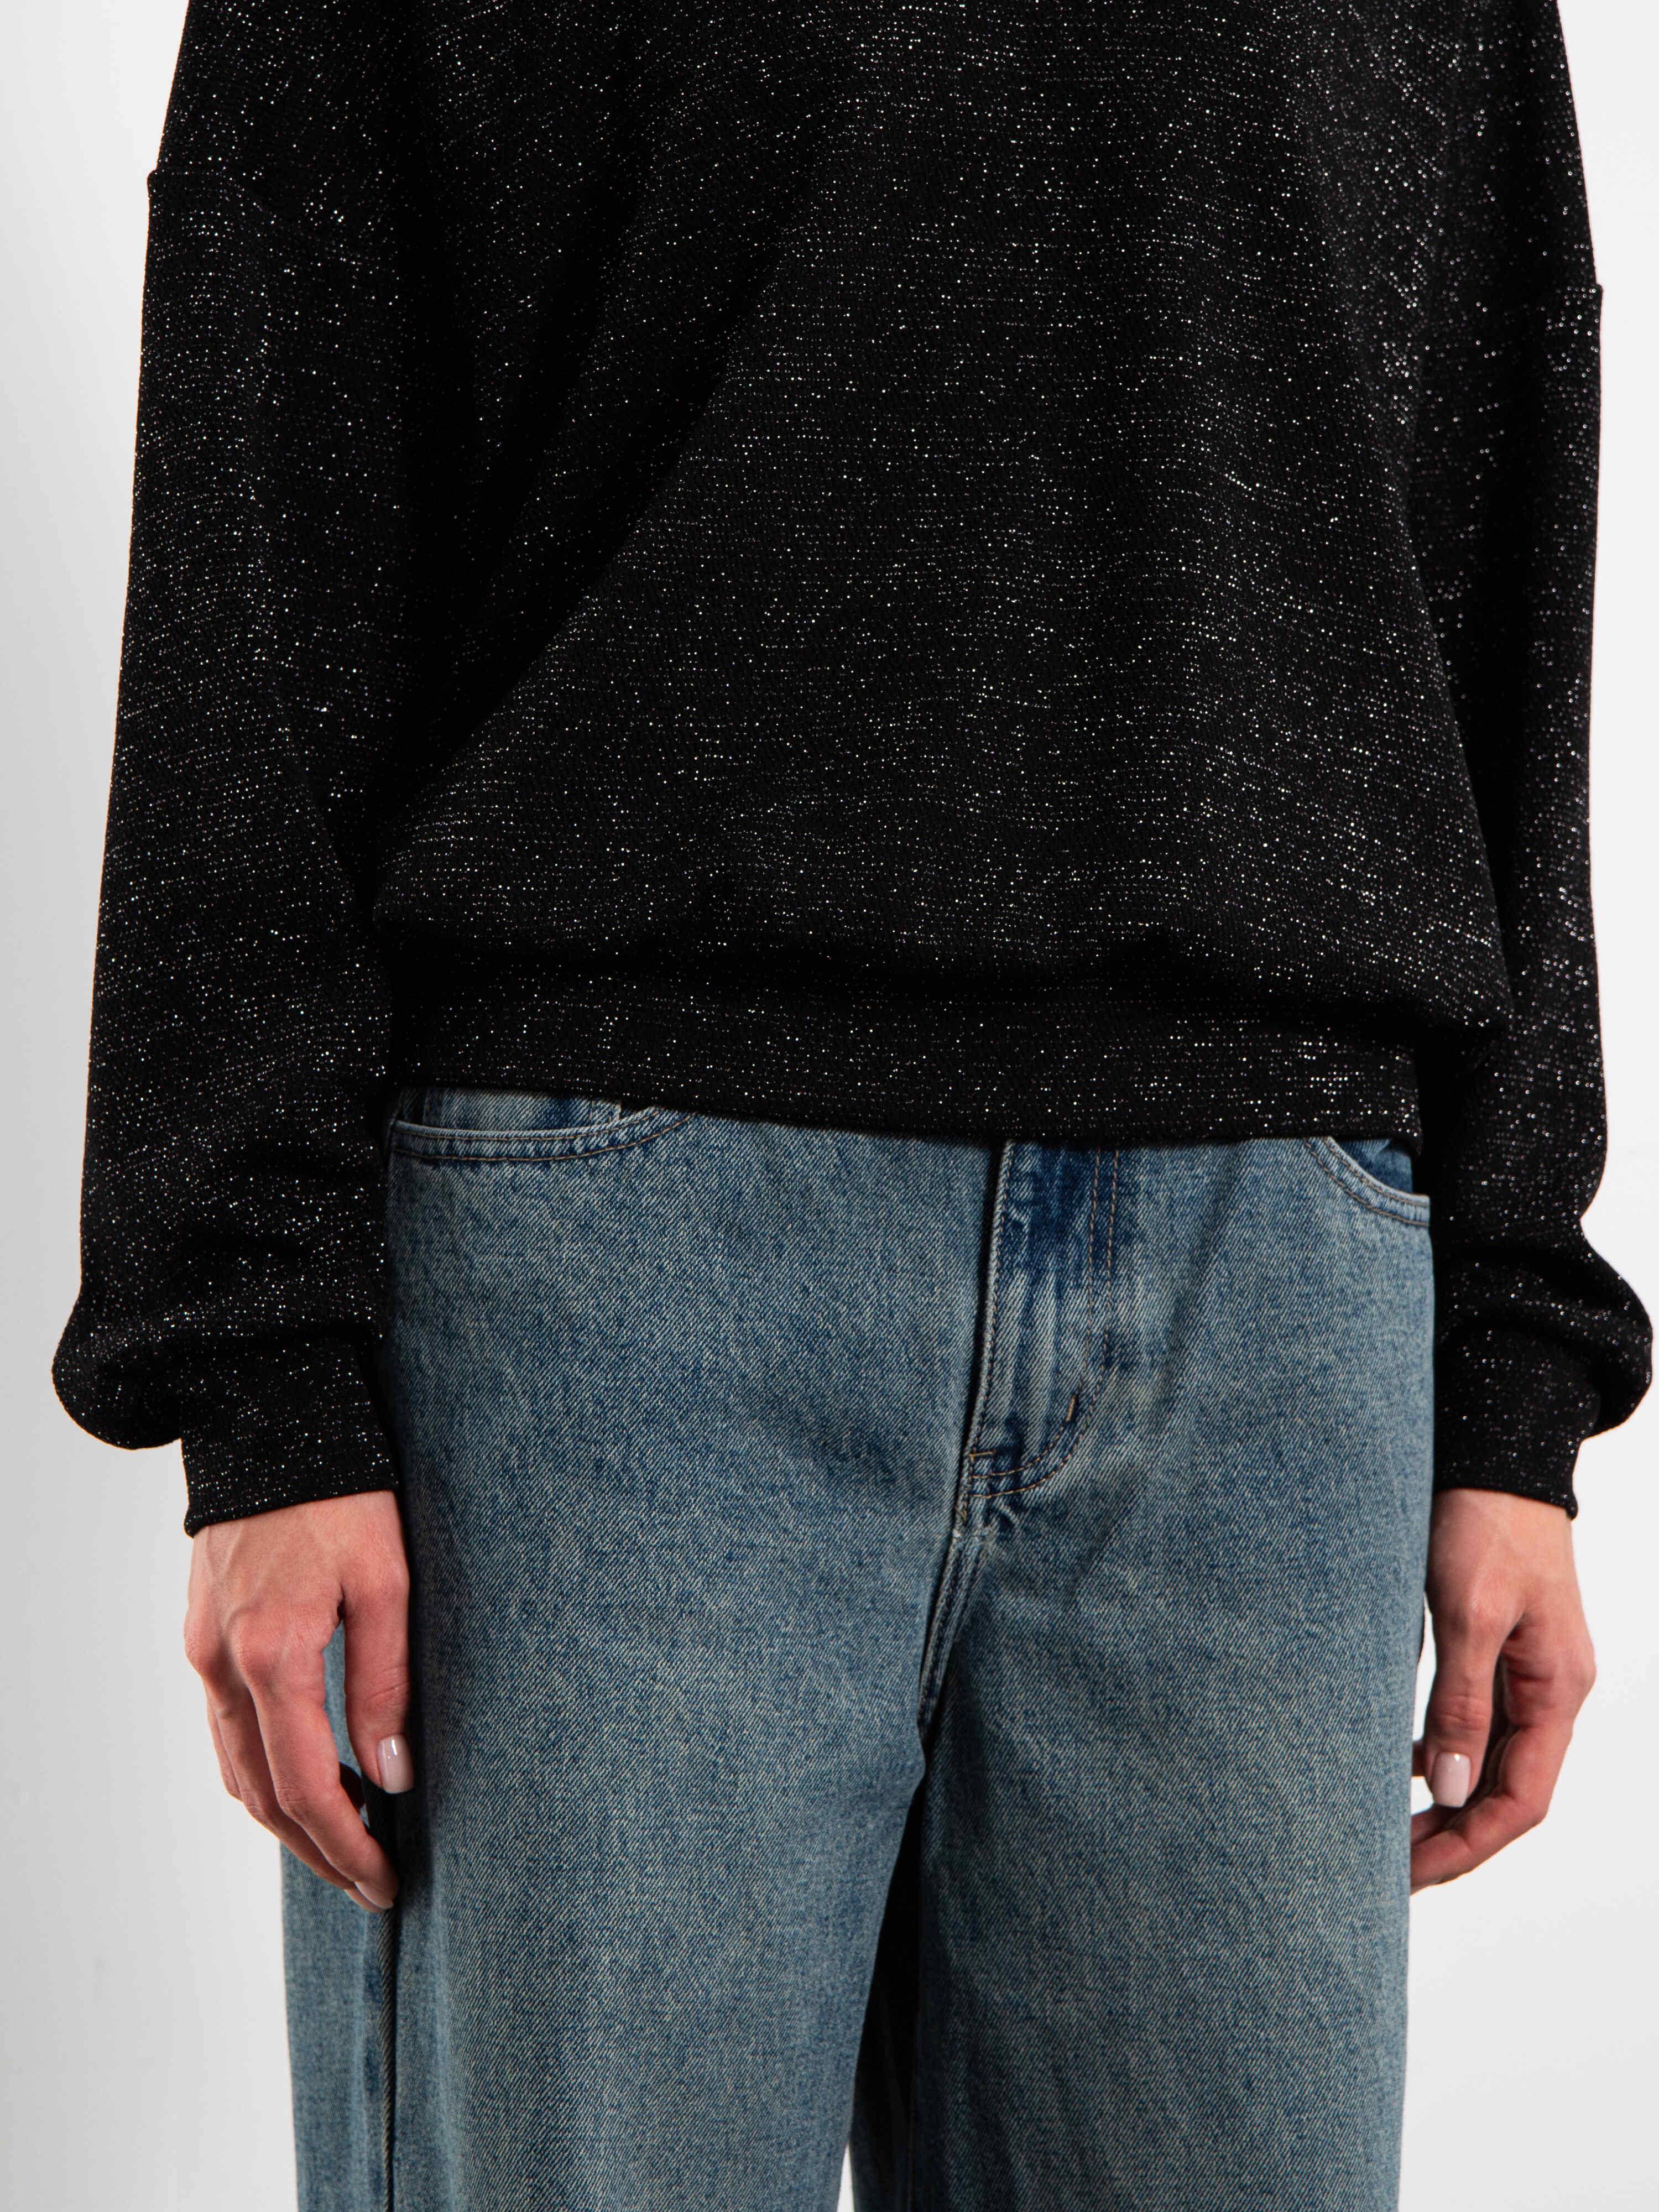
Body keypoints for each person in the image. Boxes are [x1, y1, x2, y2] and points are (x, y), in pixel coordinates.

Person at [53, 2, 1651, 2206]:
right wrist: (260, 1376)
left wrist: (1510, 1376)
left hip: (1271, 1300)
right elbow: (268, 499)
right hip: (608, 1294)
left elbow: (1499, 501)